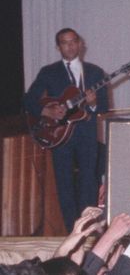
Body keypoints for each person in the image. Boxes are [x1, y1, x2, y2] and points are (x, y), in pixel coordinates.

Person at [24, 28, 108, 232]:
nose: (70, 46)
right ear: (58, 47)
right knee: (64, 183)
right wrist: (46, 110)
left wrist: (94, 103)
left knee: (89, 181)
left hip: (87, 135)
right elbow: (28, 99)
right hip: (58, 135)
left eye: (73, 41)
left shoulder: (96, 73)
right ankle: (72, 230)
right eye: (64, 42)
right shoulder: (48, 72)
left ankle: (87, 229)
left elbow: (104, 108)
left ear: (80, 44)